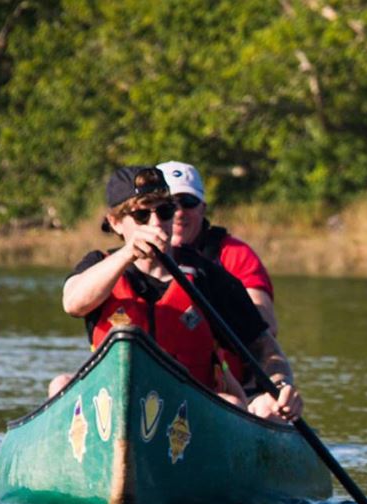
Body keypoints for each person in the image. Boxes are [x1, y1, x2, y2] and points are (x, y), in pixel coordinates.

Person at [47, 166, 304, 423]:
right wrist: (128, 254)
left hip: (188, 412)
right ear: (115, 222)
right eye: (141, 215)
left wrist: (281, 387)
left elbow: (264, 347)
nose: (156, 223)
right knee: (60, 385)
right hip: (111, 407)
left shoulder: (206, 276)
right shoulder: (97, 265)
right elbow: (73, 303)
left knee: (234, 402)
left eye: (165, 211)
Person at [156, 161, 279, 337]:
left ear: (203, 208)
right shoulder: (134, 254)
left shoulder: (235, 253)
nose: (179, 212)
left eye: (188, 202)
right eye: (169, 204)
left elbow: (266, 324)